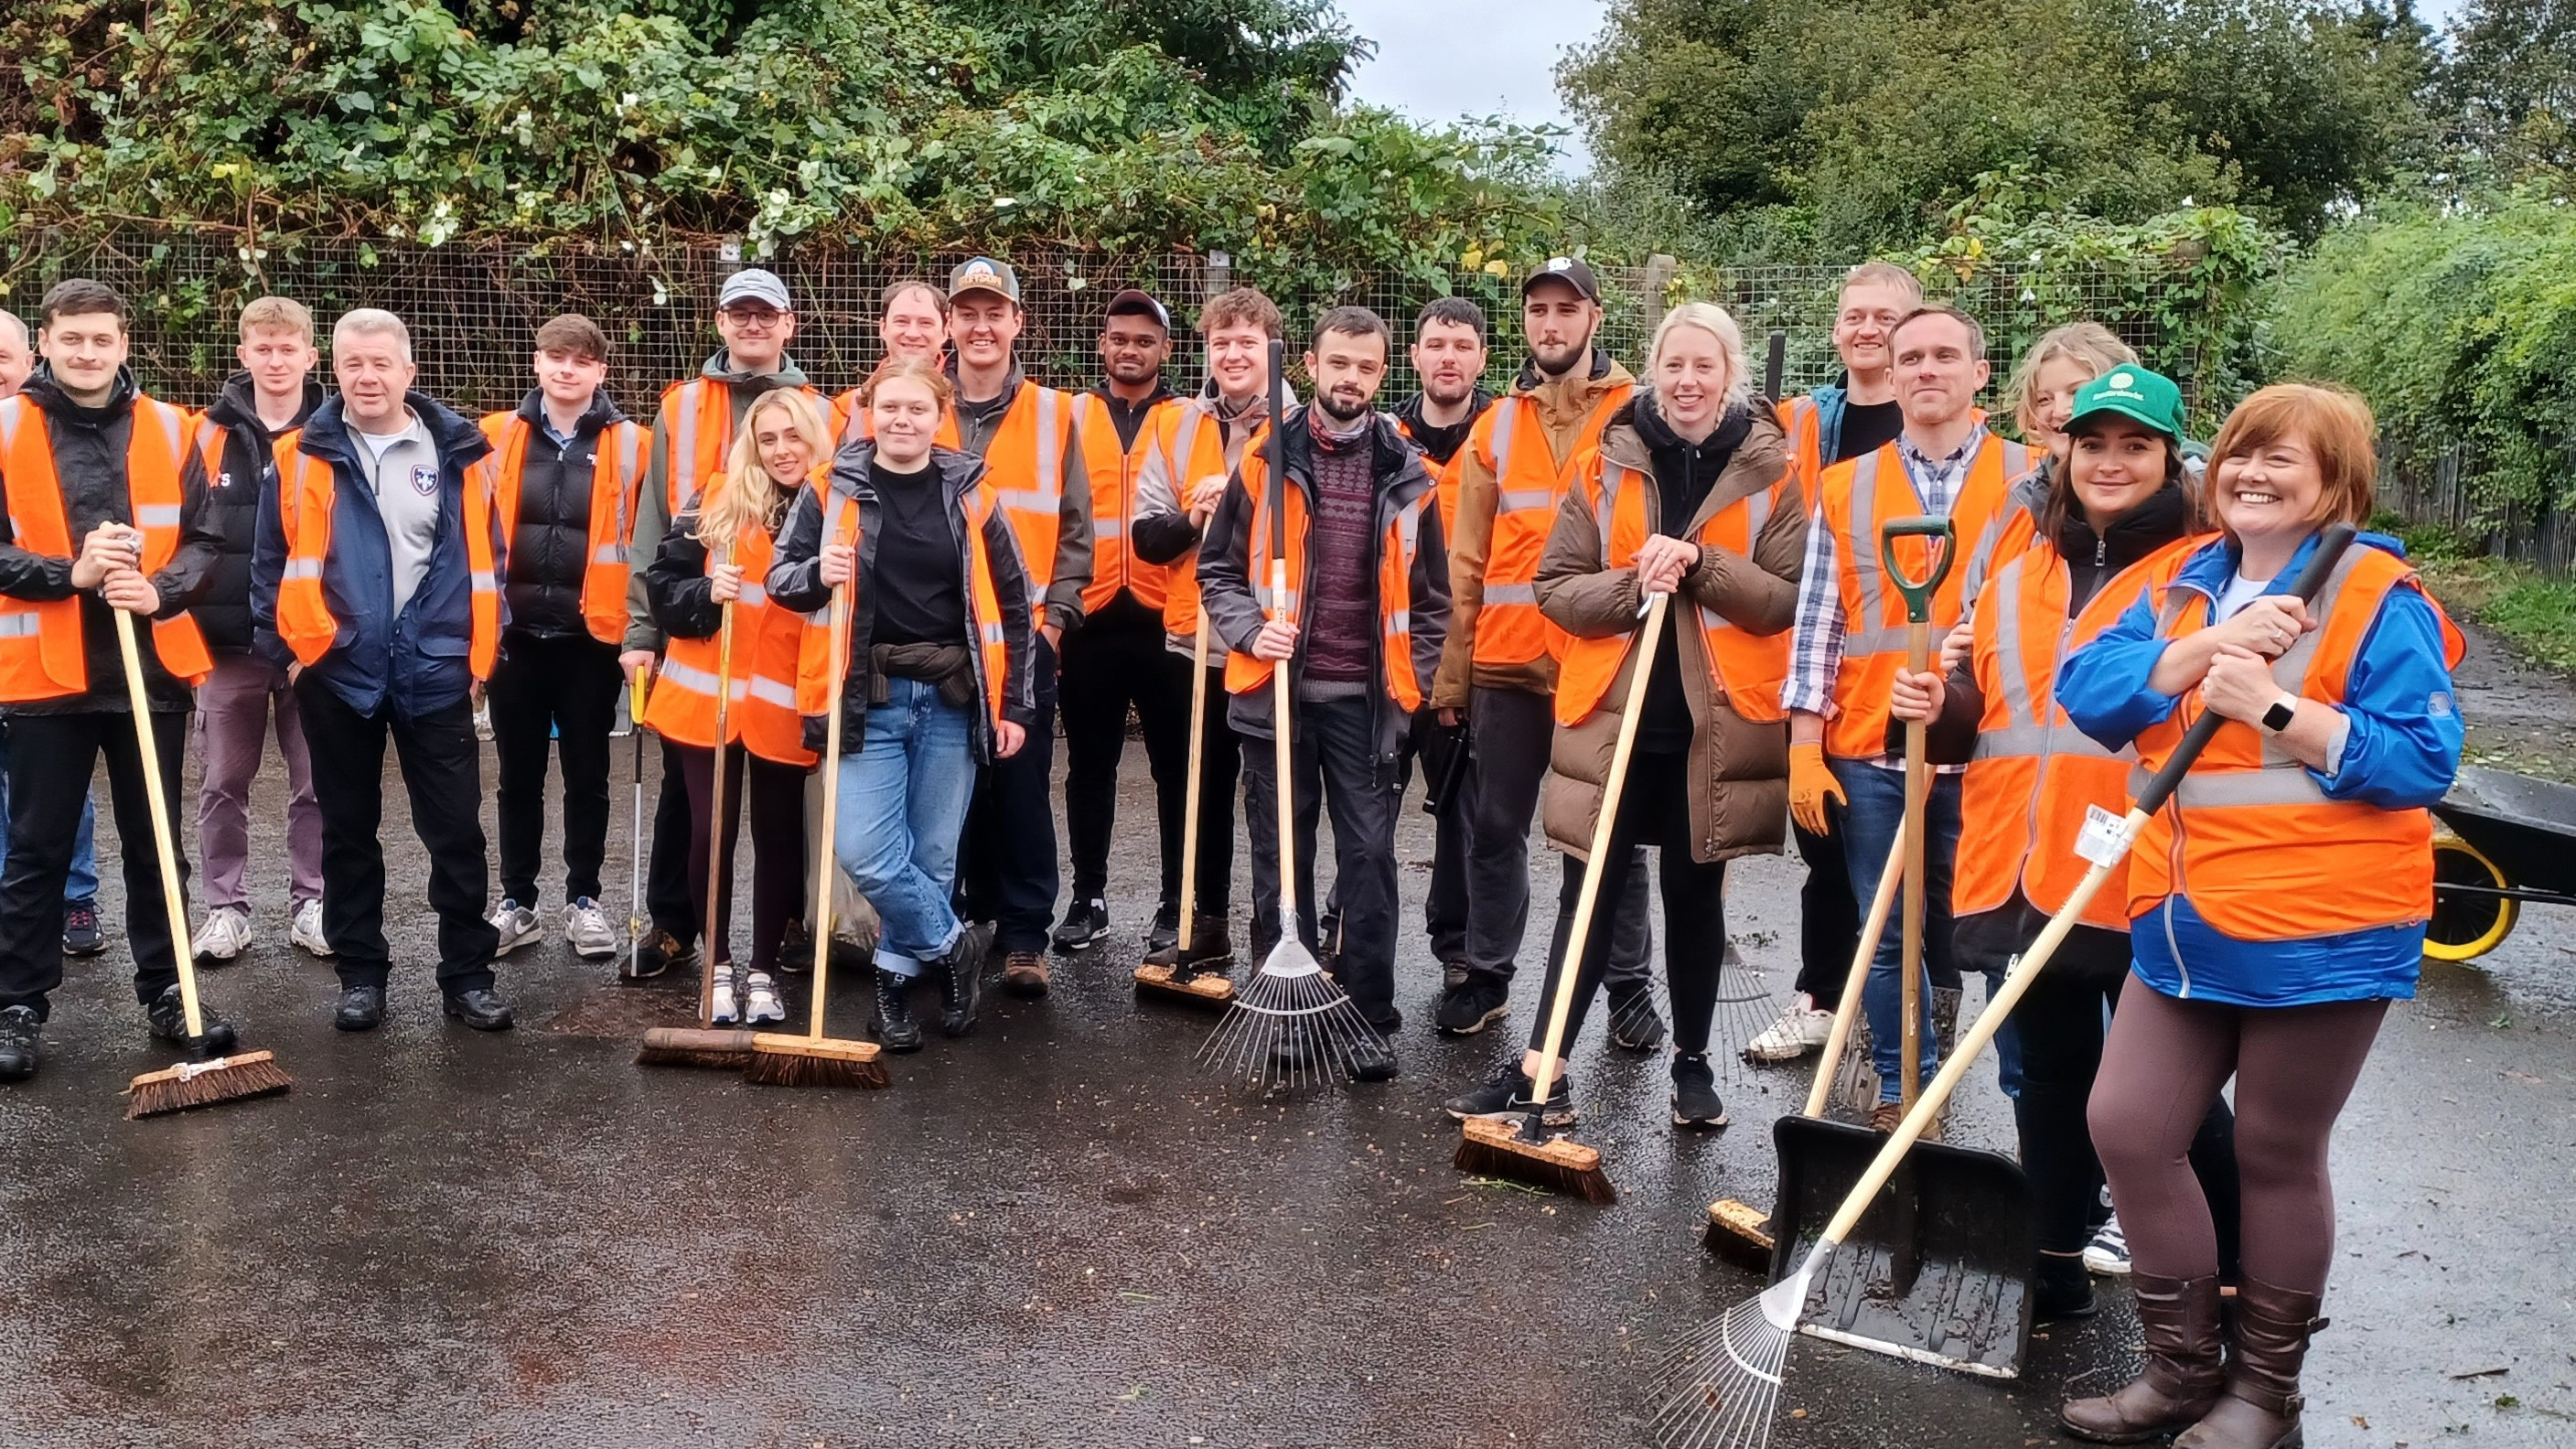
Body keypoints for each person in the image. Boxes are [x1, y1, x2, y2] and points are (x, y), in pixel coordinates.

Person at [2055, 383, 2463, 1448]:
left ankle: (2262, 1396)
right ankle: (2179, 1375)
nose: (2250, 473)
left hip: (2323, 928)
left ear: (2335, 482)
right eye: (2239, 452)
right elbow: (2088, 690)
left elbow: (2421, 760)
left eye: (2281, 458)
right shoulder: (2187, 583)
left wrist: (2274, 708)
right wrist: (2205, 650)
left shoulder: (2375, 593)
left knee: (2276, 1152)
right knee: (2129, 1127)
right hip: (2184, 920)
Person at [1890, 365, 2240, 1323]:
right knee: (2049, 1075)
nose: (2109, 463)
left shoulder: (2203, 575)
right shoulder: (2018, 574)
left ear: (2170, 457)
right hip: (2026, 863)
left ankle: (2241, 1271)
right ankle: (2051, 1261)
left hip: (2148, 865)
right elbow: (1988, 721)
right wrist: (1937, 704)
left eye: (2135, 445)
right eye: (2093, 444)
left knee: (2165, 1098)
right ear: (2065, 452)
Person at [1444, 303, 1802, 1127]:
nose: (1687, 381)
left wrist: (1703, 564)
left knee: (1694, 896)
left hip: (1714, 728)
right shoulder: (1607, 461)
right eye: (1674, 364)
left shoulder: (1773, 472)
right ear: (1653, 368)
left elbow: (1785, 599)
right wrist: (1634, 583)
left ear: (1730, 373)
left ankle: (1692, 1067)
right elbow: (1556, 588)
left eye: (1705, 366)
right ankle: (1543, 1068)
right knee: (1588, 893)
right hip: (1613, 719)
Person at [1783, 304, 2034, 1131]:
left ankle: (2034, 1107)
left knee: (1995, 936)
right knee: (1885, 934)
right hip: (1872, 747)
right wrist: (1805, 745)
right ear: (1889, 378)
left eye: (1945, 356)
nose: (1927, 370)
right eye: (1912, 359)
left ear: (1979, 373)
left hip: (1994, 751)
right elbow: (1818, 624)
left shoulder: (2033, 478)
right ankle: (1904, 1092)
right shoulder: (1844, 485)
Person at [1197, 306, 1449, 1080]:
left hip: (1366, 706)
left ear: (1383, 374)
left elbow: (1433, 602)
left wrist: (1414, 683)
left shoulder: (1408, 474)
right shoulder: (1265, 461)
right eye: (1338, 363)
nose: (1351, 378)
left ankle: (1368, 1013)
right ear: (1310, 365)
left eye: (1367, 367)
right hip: (1276, 696)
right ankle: (1291, 1005)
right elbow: (1217, 571)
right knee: (1283, 854)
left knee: (1369, 858)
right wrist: (1249, 630)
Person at [253, 307, 512, 1034]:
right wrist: (291, 658)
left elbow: (489, 561)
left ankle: (468, 976)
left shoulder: (461, 453)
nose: (367, 377)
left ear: (408, 371)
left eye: (380, 364)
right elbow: (269, 562)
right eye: (353, 364)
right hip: (337, 672)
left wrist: (480, 654)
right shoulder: (297, 455)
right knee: (347, 832)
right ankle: (361, 975)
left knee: (456, 833)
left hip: (436, 670)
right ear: (334, 369)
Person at [767, 358, 1035, 1051]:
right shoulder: (830, 488)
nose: (902, 420)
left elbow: (1015, 604)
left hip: (952, 699)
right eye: (889, 407)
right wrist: (815, 572)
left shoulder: (972, 494)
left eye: (918, 409)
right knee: (867, 853)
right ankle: (954, 948)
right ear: (868, 412)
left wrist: (1016, 707)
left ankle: (892, 995)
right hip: (866, 698)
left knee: (935, 857)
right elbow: (779, 580)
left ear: (941, 416)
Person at [0, 279, 228, 1084]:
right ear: (46, 342)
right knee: (36, 849)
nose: (87, 353)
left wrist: (159, 590)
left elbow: (207, 541)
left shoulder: (171, 427)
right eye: (72, 339)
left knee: (156, 844)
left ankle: (170, 991)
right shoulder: (5, 427)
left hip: (150, 674)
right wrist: (71, 573)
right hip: (44, 679)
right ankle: (16, 1004)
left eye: (102, 339)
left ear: (124, 344)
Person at [1429, 258, 1657, 1044]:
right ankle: (1487, 975)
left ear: (1595, 317)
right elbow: (1464, 562)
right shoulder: (1496, 426)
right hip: (1507, 664)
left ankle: (1628, 987)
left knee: (1607, 832)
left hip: (1604, 663)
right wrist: (1453, 677)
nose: (1551, 324)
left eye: (1566, 309)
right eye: (1538, 311)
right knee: (1496, 826)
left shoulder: (1640, 414)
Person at [1744, 260, 1920, 1064]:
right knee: (1825, 850)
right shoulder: (1800, 423)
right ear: (1836, 328)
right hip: (1817, 675)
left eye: (1886, 317)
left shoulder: (1941, 427)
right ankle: (1820, 998)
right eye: (1855, 315)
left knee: (1913, 864)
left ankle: (1910, 1009)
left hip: (1909, 683)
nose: (1867, 329)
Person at [626, 268, 816, 978]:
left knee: (782, 819)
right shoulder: (680, 407)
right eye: (741, 314)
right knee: (692, 809)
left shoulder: (820, 412)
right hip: (702, 655)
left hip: (783, 674)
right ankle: (678, 928)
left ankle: (781, 933)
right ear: (721, 322)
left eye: (766, 314)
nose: (753, 325)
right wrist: (642, 632)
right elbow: (653, 534)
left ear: (788, 323)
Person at [643, 389, 824, 1024]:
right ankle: (717, 968)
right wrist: (703, 592)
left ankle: (764, 972)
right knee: (708, 833)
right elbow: (663, 585)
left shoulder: (836, 506)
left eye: (793, 436)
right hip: (707, 699)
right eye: (767, 438)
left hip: (784, 702)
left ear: (814, 439)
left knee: (778, 837)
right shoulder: (714, 499)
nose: (781, 450)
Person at [942, 257, 1093, 997]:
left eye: (994, 313)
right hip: (937, 637)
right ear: (950, 323)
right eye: (967, 313)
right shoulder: (916, 403)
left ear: (1017, 323)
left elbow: (1076, 531)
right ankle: (953, 925)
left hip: (1024, 640)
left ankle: (1025, 936)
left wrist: (1056, 623)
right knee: (945, 786)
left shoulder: (1055, 414)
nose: (981, 327)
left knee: (1022, 786)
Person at [479, 314, 648, 962]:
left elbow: (650, 542)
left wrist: (641, 631)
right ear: (537, 362)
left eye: (581, 360)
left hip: (592, 640)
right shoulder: (495, 435)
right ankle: (516, 902)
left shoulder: (634, 445)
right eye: (556, 357)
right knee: (516, 779)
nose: (567, 369)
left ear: (600, 370)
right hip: (515, 635)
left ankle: (584, 901)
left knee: (589, 775)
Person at [1128, 285, 1281, 972]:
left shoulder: (1301, 426)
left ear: (1273, 350)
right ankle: (1203, 921)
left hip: (1272, 645)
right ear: (1207, 350)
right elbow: (1145, 539)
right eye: (1222, 342)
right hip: (1195, 643)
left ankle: (1276, 931)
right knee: (1199, 792)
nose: (1234, 354)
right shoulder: (1175, 426)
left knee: (1274, 798)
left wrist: (1242, 506)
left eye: (1247, 342)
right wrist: (1194, 518)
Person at [188, 295, 331, 964]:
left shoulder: (336, 433)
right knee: (222, 782)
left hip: (314, 645)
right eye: (263, 348)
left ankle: (315, 903)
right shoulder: (201, 435)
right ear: (243, 354)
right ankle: (225, 909)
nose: (276, 361)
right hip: (226, 643)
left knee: (318, 782)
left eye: (287, 348)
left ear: (310, 355)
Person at [1054, 289, 1191, 955]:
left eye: (1144, 339)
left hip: (1169, 618)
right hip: (1091, 615)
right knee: (1089, 765)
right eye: (1119, 338)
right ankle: (1088, 897)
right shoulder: (1070, 414)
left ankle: (1175, 902)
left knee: (1177, 769)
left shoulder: (1188, 418)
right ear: (1102, 345)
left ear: (1166, 348)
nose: (1129, 349)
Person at [1389, 296, 1492, 985]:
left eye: (1461, 346)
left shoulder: (1502, 433)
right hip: (1393, 653)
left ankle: (1458, 943)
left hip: (1471, 653)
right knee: (1370, 800)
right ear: (1416, 356)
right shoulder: (1384, 436)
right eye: (1436, 345)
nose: (1448, 358)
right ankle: (1349, 927)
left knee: (1462, 805)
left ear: (1481, 358)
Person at [0, 307, 107, 961]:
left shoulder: (42, 434)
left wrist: (69, 575)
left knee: (52, 795)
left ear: (28, 358)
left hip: (39, 652)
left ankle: (76, 896)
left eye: (1, 358)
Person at [828, 279, 949, 445]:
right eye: (902, 321)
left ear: (946, 331)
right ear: (882, 328)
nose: (912, 333)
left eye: (925, 323)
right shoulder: (848, 407)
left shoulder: (967, 406)